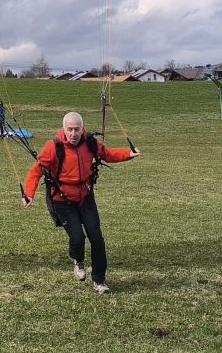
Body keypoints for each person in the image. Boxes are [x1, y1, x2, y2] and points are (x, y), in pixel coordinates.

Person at [22, 111, 138, 294]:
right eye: (70, 129)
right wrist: (29, 194)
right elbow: (36, 171)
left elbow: (107, 154)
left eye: (77, 129)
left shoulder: (90, 143)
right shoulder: (53, 147)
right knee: (77, 238)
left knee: (96, 238)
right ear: (63, 129)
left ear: (82, 129)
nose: (74, 133)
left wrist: (128, 154)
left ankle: (99, 280)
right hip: (62, 199)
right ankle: (78, 260)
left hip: (85, 197)